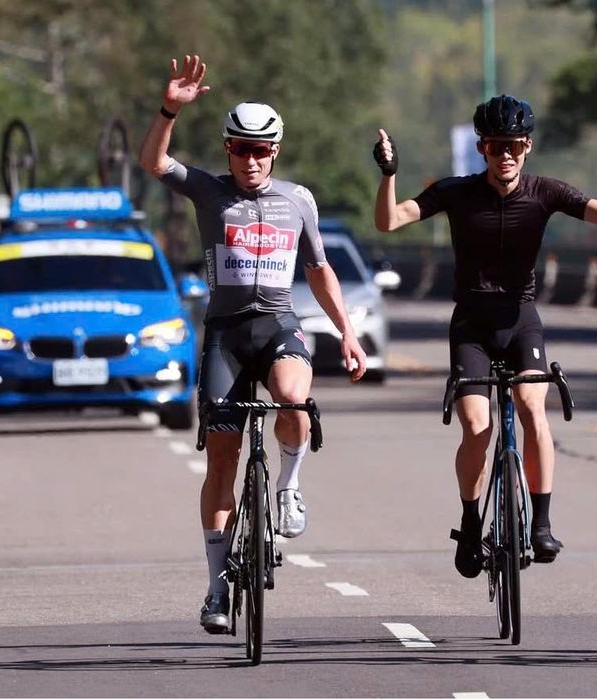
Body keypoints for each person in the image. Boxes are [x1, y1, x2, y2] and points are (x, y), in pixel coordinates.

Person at [139, 55, 368, 633]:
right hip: (225, 337)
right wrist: (170, 108)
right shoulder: (210, 193)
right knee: (221, 459)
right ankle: (216, 588)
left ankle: (288, 489)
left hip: (280, 327)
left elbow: (319, 271)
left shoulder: (299, 200)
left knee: (294, 403)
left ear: (277, 152)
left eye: (262, 150)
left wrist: (347, 332)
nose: (251, 159)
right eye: (241, 149)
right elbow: (155, 161)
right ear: (227, 150)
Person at [373, 95, 597, 576]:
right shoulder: (456, 192)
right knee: (477, 426)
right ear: (482, 148)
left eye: (514, 145)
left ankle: (540, 521)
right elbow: (390, 221)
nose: (506, 155)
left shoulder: (545, 192)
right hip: (472, 324)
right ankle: (471, 522)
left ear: (528, 146)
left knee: (533, 406)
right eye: (496, 147)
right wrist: (389, 175)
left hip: (520, 320)